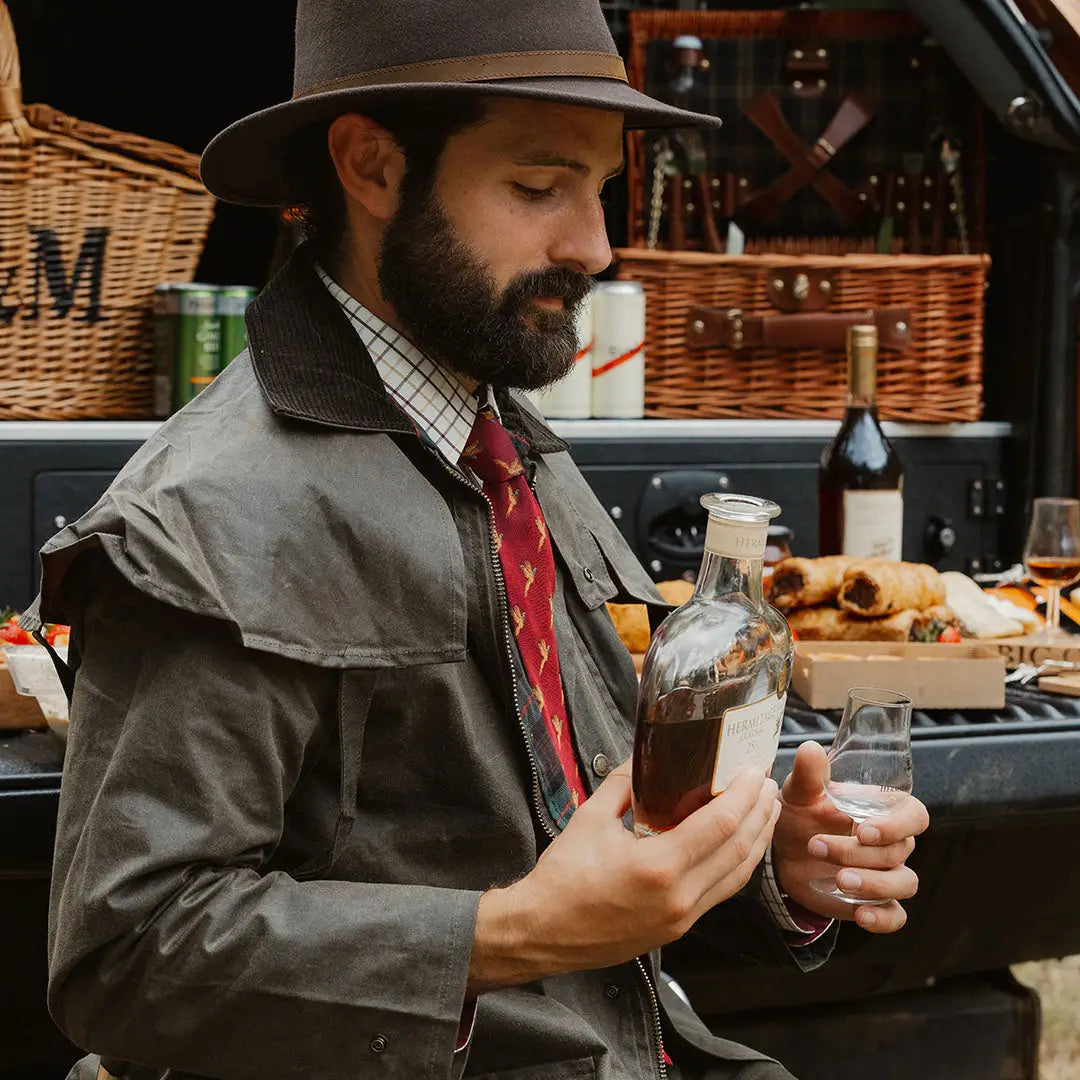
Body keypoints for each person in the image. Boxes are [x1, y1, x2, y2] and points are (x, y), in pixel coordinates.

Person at [29, 2, 929, 1078]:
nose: (593, 244)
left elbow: (578, 842)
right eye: (537, 186)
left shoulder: (505, 440)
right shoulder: (208, 516)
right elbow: (125, 963)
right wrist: (512, 935)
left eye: (599, 189)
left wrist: (756, 863)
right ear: (368, 164)